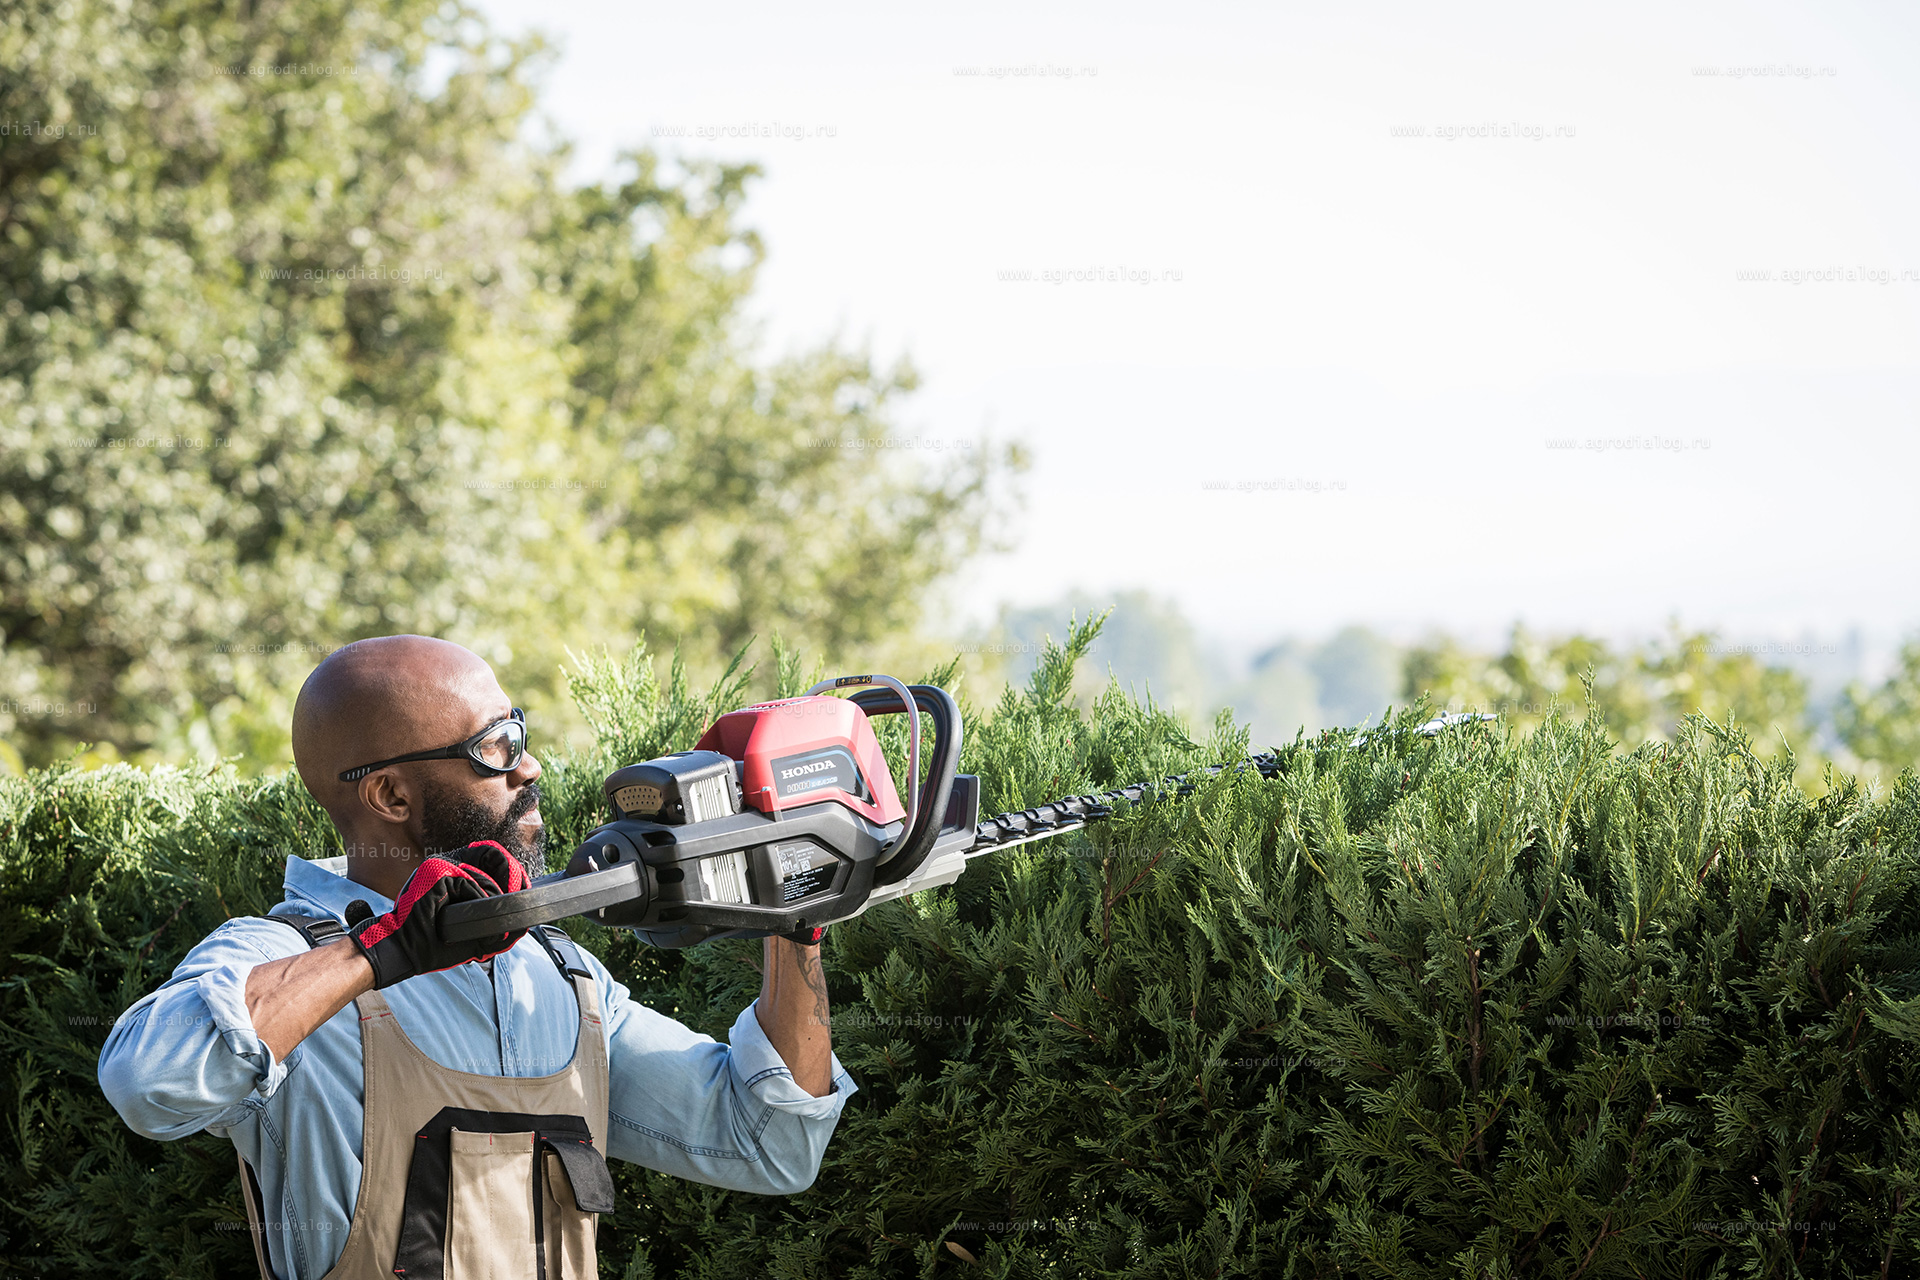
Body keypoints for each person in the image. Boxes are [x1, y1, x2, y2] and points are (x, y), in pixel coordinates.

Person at [99, 636, 855, 1280]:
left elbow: (769, 1144)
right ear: (392, 796)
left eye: (519, 733)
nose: (530, 768)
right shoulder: (281, 957)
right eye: (495, 747)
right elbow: (147, 1083)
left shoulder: (560, 979)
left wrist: (797, 917)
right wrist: (377, 951)